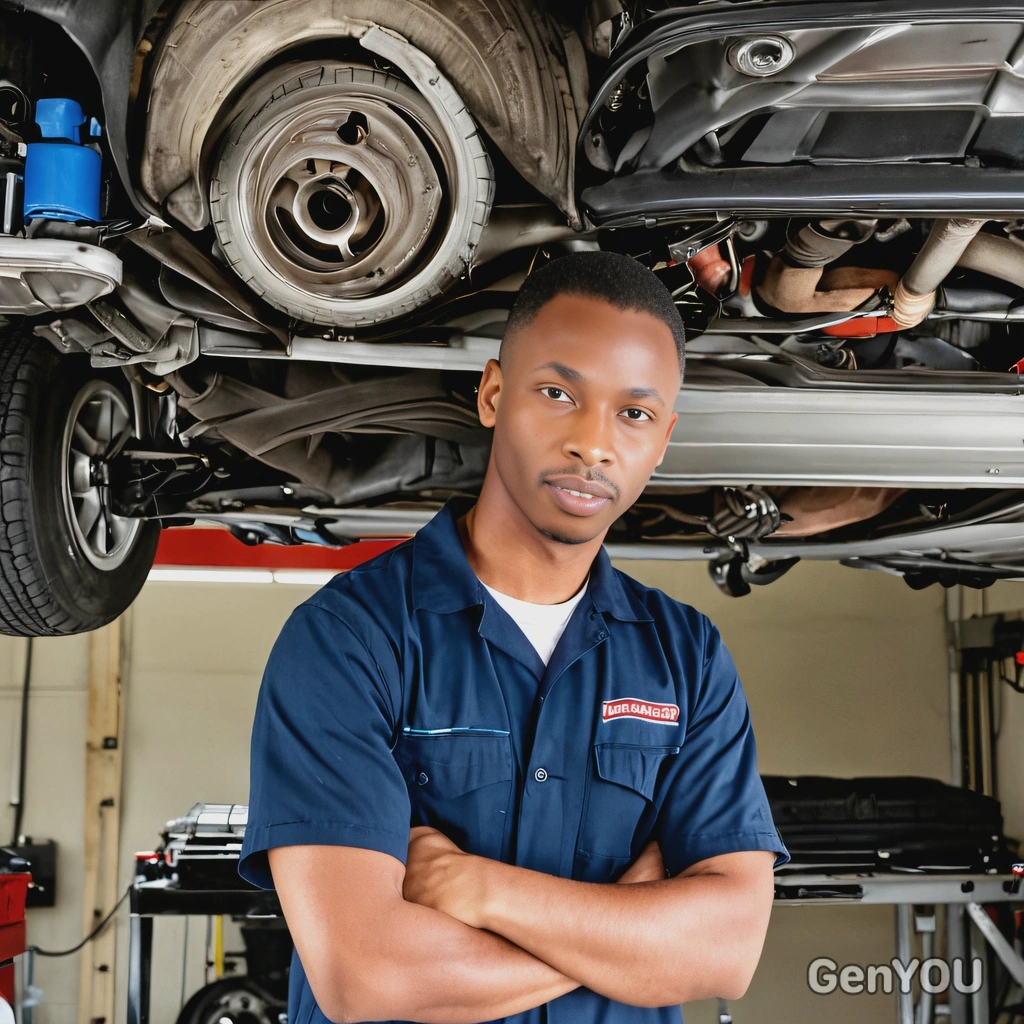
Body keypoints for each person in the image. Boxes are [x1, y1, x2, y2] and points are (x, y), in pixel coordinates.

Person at [237, 249, 791, 1024]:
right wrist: (624, 938)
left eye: (632, 414)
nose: (593, 445)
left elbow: (724, 952)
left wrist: (481, 891)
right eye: (560, 393)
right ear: (494, 393)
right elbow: (365, 973)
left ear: (662, 437)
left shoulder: (686, 657)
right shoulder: (347, 641)